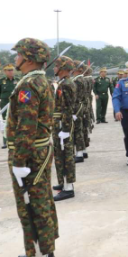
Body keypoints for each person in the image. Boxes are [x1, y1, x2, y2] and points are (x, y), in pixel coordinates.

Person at [3, 38, 59, 257]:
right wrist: (2, 127)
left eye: (18, 55)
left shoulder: (29, 84)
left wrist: (19, 161)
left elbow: (27, 126)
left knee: (32, 208)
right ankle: (44, 250)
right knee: (42, 202)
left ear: (29, 58)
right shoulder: (37, 81)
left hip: (30, 155)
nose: (15, 59)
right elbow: (23, 120)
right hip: (37, 152)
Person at [51, 56, 78, 201]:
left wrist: (66, 129)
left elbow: (68, 108)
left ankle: (68, 188)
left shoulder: (66, 85)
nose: (54, 68)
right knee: (60, 155)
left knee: (65, 156)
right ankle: (63, 182)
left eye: (56, 66)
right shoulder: (63, 83)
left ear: (63, 68)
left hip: (63, 124)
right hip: (60, 123)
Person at [0, 64, 18, 149]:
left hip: (16, 103)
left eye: (12, 70)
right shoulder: (1, 81)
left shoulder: (18, 80)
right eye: (8, 70)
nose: (11, 71)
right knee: (5, 122)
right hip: (4, 103)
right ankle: (5, 141)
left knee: (16, 121)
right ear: (5, 71)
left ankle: (16, 140)